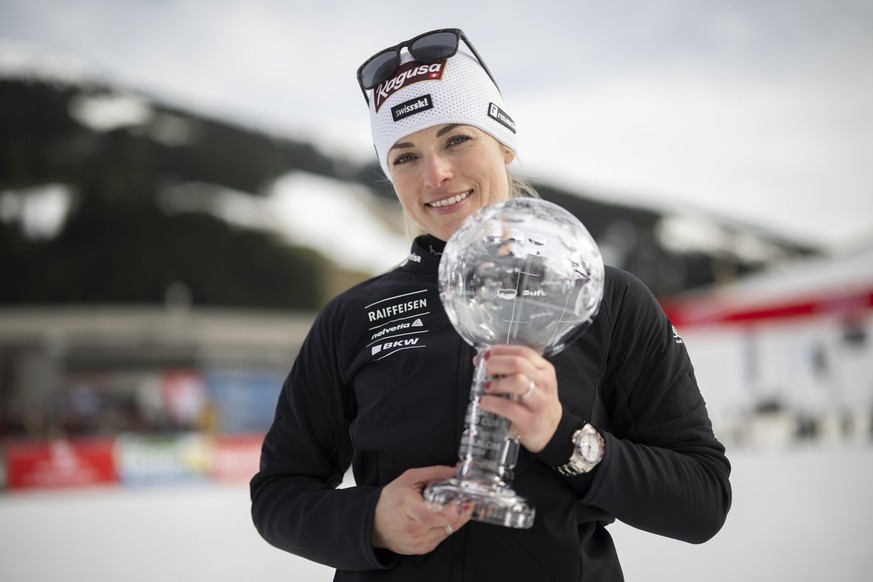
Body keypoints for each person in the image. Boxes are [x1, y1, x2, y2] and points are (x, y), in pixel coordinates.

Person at [250, 27, 731, 581]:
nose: (436, 175)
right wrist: (372, 522)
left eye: (456, 140)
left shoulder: (606, 296)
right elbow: (278, 494)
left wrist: (564, 437)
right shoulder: (354, 316)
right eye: (405, 156)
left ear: (503, 142)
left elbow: (702, 501)